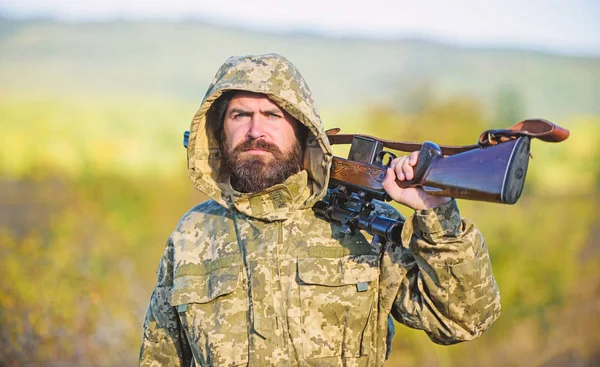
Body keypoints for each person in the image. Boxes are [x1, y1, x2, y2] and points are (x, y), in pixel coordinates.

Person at [139, 53, 501, 366]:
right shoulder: (193, 234)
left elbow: (462, 320)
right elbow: (160, 356)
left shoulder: (363, 224)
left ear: (302, 129)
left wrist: (437, 216)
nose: (255, 130)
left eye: (272, 115)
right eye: (240, 115)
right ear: (218, 131)